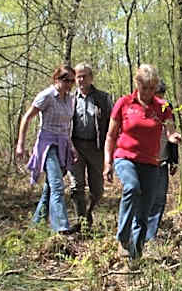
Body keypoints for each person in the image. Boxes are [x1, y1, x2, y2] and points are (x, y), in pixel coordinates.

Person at [103, 64, 182, 259]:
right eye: (144, 87)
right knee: (131, 187)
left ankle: (135, 256)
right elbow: (111, 136)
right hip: (125, 157)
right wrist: (107, 162)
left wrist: (174, 137)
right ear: (137, 84)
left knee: (145, 210)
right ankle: (123, 237)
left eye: (151, 88)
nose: (147, 92)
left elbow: (170, 130)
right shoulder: (124, 103)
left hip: (151, 162)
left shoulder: (162, 106)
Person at [15, 64, 79, 235]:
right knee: (58, 185)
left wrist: (71, 147)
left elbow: (67, 126)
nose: (70, 84)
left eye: (72, 81)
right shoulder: (47, 96)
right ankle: (61, 228)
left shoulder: (70, 99)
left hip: (63, 145)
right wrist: (20, 144)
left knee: (50, 187)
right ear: (56, 79)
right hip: (48, 145)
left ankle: (36, 225)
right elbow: (27, 118)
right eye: (67, 80)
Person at [69, 62, 112, 226]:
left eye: (84, 76)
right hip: (76, 147)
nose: (80, 80)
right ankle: (81, 221)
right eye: (78, 76)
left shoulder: (103, 98)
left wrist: (111, 150)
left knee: (97, 189)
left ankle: (89, 212)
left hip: (96, 147)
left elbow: (111, 124)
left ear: (91, 78)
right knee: (76, 186)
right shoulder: (70, 98)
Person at [143, 81, 178, 242]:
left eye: (162, 96)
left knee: (159, 198)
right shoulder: (142, 109)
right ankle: (138, 233)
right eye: (157, 96)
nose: (160, 100)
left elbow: (173, 136)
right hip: (143, 161)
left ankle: (151, 235)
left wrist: (174, 160)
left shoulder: (167, 109)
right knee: (143, 197)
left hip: (162, 160)